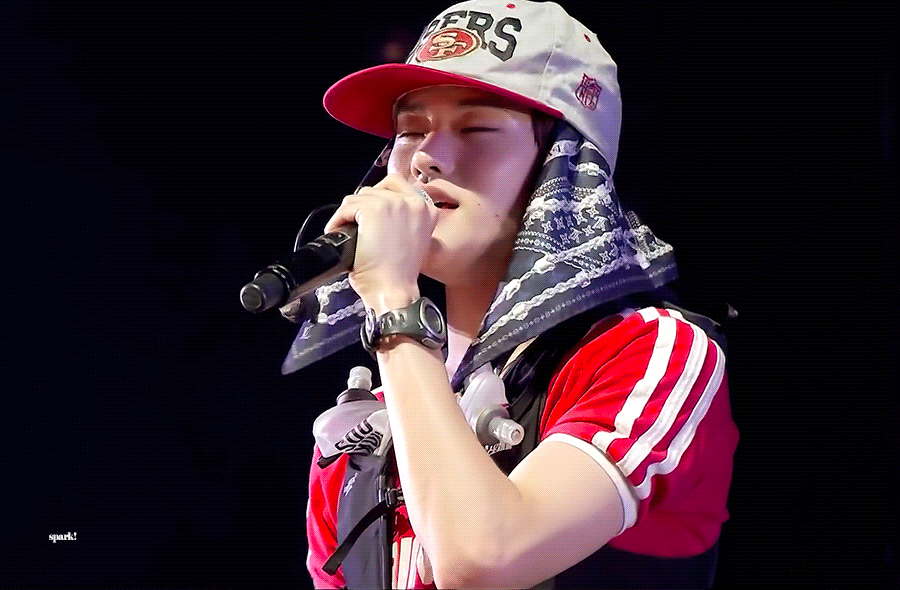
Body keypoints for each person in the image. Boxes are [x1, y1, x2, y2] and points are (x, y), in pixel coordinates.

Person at [283, 1, 739, 588]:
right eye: (410, 131)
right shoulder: (368, 424)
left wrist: (394, 303)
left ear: (564, 167)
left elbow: (481, 560)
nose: (425, 159)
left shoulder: (650, 354)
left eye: (476, 128)